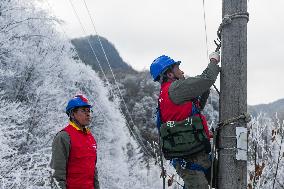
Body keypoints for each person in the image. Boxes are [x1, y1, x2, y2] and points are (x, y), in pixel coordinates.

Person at [150, 52, 220, 189]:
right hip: (191, 157)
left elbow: (195, 108)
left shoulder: (166, 94)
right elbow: (207, 79)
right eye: (177, 68)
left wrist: (203, 89)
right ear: (169, 74)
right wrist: (213, 61)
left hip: (192, 155)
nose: (181, 71)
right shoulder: (175, 88)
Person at [51, 95, 100, 189]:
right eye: (83, 111)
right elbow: (57, 175)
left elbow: (93, 171)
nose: (88, 114)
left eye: (88, 110)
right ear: (72, 114)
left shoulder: (90, 138)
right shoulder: (64, 137)